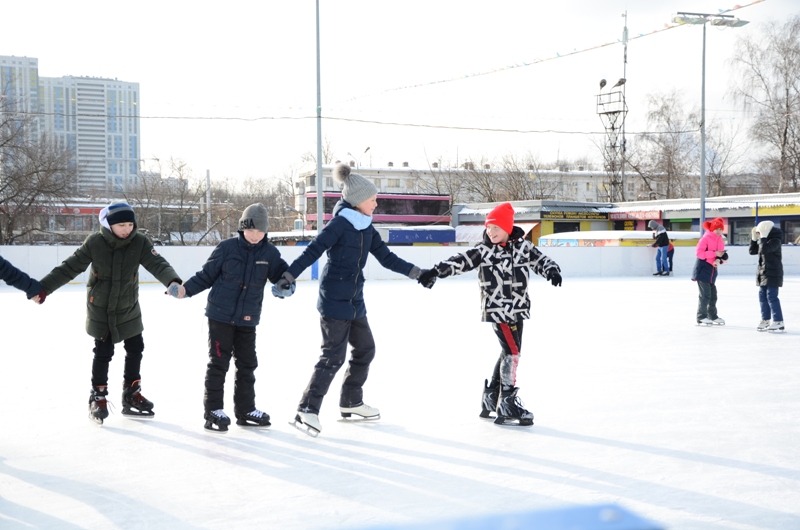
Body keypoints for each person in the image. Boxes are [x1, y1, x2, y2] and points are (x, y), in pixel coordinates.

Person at [283, 163, 421, 437]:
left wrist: (416, 272)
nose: (377, 204)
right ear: (358, 201)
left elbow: (387, 258)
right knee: (333, 356)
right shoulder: (339, 225)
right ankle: (306, 409)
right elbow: (314, 250)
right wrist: (290, 274)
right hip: (334, 300)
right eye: (373, 200)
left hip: (355, 301)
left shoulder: (367, 228)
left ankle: (350, 402)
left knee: (366, 349)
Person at [417, 202, 562, 426]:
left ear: (507, 227)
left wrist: (551, 270)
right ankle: (507, 400)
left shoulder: (523, 247)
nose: (491, 232)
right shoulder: (483, 251)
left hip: (519, 309)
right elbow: (460, 261)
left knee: (508, 351)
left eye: (496, 228)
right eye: (488, 228)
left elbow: (540, 259)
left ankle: (491, 397)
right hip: (497, 310)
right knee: (513, 352)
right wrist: (436, 271)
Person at [37, 202, 182, 424]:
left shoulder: (140, 242)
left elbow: (157, 263)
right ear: (109, 225)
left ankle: (131, 394)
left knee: (136, 348)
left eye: (130, 224)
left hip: (128, 306)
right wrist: (44, 287)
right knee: (103, 352)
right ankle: (98, 396)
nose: (126, 229)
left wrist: (172, 281)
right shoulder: (95, 242)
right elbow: (70, 267)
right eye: (121, 224)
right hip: (101, 309)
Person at [169, 203, 293, 432]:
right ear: (242, 229)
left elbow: (282, 276)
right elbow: (206, 276)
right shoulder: (226, 248)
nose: (255, 236)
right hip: (220, 317)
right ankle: (213, 410)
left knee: (247, 365)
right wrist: (185, 290)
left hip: (248, 318)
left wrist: (286, 286)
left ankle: (245, 410)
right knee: (219, 363)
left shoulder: (270, 253)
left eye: (260, 231)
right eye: (251, 230)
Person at [750, 220, 784, 332]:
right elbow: (753, 251)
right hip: (763, 273)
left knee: (771, 297)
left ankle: (778, 321)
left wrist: (763, 237)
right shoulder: (764, 241)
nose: (759, 235)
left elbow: (764, 250)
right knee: (762, 297)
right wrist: (754, 240)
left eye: (760, 232)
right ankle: (765, 319)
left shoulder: (775, 240)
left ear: (766, 231)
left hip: (773, 273)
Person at [692, 218, 727, 326]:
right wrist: (714, 253)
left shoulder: (720, 240)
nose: (719, 231)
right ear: (712, 229)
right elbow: (699, 253)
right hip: (703, 270)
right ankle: (701, 316)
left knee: (713, 295)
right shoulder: (706, 238)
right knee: (705, 295)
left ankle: (712, 316)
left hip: (712, 271)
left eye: (721, 229)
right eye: (717, 228)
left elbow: (719, 256)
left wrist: (722, 259)